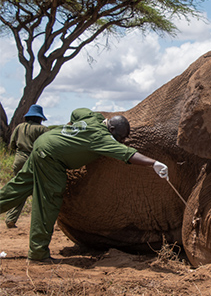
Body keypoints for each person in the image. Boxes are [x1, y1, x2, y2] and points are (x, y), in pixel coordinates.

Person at [0, 108, 169, 263]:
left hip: (43, 144)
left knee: (18, 187)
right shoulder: (102, 138)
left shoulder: (93, 118)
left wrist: (75, 130)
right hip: (52, 159)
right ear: (111, 131)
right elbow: (127, 154)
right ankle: (38, 254)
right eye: (119, 138)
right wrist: (153, 163)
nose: (120, 142)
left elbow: (76, 112)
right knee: (48, 201)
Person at [5, 105, 52, 228]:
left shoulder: (19, 127)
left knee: (19, 189)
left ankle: (11, 218)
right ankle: (41, 222)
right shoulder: (43, 130)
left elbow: (12, 145)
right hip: (34, 161)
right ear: (40, 118)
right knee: (40, 191)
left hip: (19, 160)